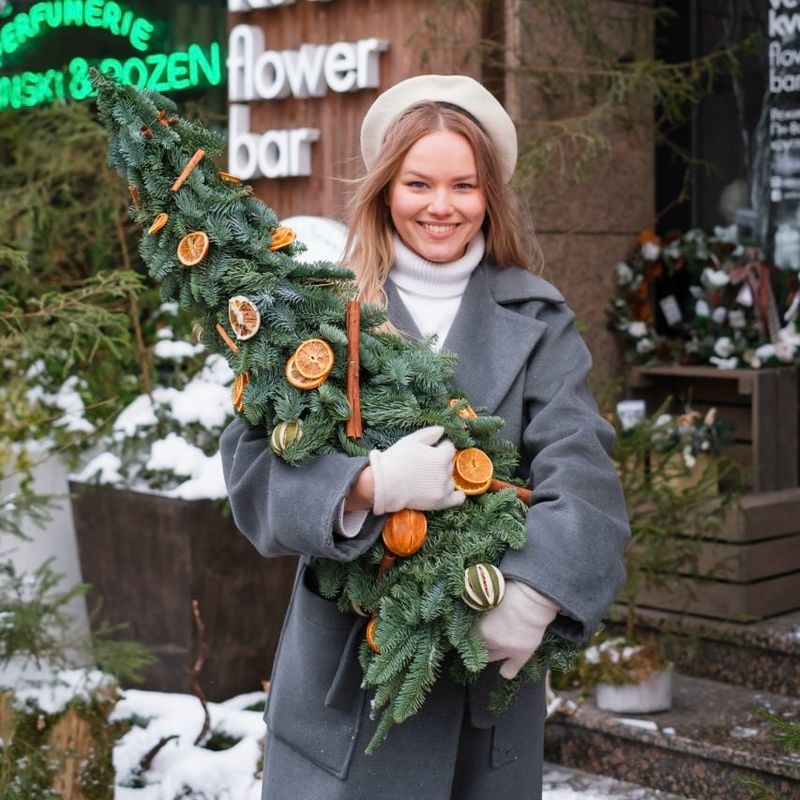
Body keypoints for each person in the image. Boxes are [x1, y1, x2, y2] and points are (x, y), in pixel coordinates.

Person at [220, 74, 629, 800]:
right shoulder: (323, 311)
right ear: (384, 189)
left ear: (489, 196)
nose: (442, 207)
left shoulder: (536, 317)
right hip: (347, 690)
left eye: (464, 186)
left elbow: (581, 462)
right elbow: (252, 465)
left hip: (482, 693)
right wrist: (367, 486)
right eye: (418, 183)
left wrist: (537, 591)